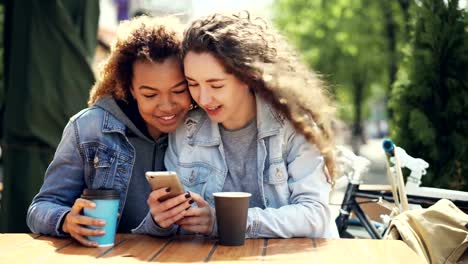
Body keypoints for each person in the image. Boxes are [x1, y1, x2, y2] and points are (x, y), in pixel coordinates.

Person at [163, 12, 338, 238]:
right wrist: (163, 220)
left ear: (247, 77)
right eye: (192, 84)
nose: (203, 98)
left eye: (216, 85)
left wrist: (225, 221)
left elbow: (314, 215)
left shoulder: (293, 125)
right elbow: (180, 227)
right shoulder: (185, 132)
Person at [27, 16, 193, 247]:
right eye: (150, 94)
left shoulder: (204, 128)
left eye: (178, 90)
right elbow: (40, 208)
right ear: (130, 89)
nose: (166, 106)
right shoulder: (89, 128)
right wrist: (66, 220)